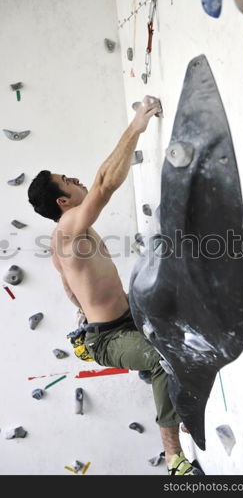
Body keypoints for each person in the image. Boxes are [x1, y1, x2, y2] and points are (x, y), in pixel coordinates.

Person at [28, 95, 203, 476]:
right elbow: (105, 183)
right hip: (107, 338)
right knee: (162, 359)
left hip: (122, 321)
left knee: (174, 331)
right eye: (69, 181)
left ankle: (181, 407)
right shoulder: (68, 228)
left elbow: (69, 285)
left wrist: (82, 313)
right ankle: (175, 460)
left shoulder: (69, 238)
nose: (78, 181)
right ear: (62, 200)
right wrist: (137, 124)